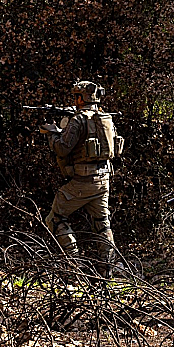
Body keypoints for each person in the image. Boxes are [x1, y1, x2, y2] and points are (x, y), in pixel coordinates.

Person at [40, 80, 123, 271]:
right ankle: (107, 270)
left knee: (55, 218)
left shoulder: (78, 120)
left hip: (82, 182)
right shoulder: (106, 118)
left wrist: (51, 133)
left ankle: (74, 265)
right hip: (103, 179)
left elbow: (62, 148)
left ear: (80, 98)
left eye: (76, 97)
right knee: (102, 224)